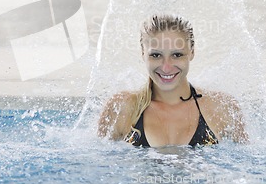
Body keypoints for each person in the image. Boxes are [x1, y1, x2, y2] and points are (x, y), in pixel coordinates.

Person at [97, 14, 249, 147]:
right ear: (143, 53)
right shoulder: (121, 108)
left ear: (192, 52)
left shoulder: (222, 108)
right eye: (156, 55)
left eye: (177, 55)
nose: (166, 67)